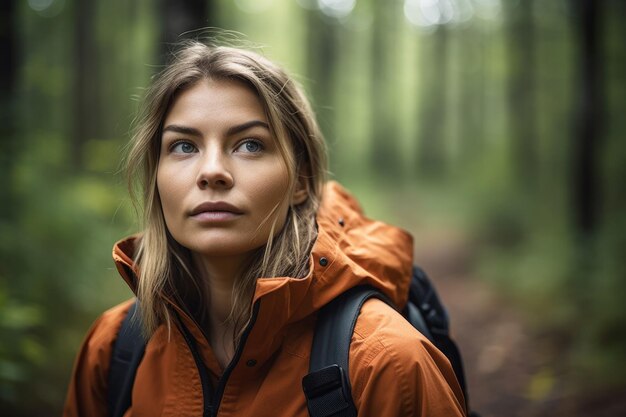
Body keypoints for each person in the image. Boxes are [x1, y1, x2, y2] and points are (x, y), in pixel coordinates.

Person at [63, 40, 467, 417]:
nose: (212, 172)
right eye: (184, 146)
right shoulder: (114, 348)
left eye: (249, 145)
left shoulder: (386, 361)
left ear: (301, 182)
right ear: (156, 178)